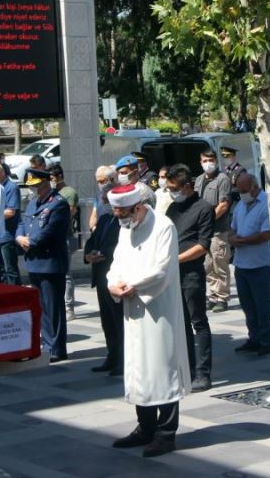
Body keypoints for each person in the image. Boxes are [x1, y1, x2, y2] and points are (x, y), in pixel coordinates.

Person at [106, 184, 192, 458]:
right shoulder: (126, 226)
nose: (121, 219)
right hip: (132, 306)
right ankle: (145, 427)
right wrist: (113, 284)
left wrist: (131, 285)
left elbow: (161, 269)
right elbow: (117, 261)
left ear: (138, 206)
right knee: (138, 368)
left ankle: (166, 434)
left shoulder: (163, 226)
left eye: (124, 212)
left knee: (161, 367)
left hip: (158, 308)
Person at [165, 164, 215, 392]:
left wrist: (176, 259)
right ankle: (187, 368)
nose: (171, 192)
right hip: (172, 273)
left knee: (198, 322)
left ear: (187, 186)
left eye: (174, 187)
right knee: (180, 323)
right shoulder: (172, 209)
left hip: (191, 273)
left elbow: (202, 245)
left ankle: (203, 373)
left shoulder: (203, 208)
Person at [16, 168, 71, 362]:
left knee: (53, 307)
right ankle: (47, 345)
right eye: (32, 187)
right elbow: (23, 223)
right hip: (34, 262)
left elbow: (50, 230)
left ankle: (56, 348)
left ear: (47, 184)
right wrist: (19, 237)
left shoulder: (58, 204)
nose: (34, 190)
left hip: (50, 263)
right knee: (42, 307)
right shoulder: (33, 203)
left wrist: (30, 242)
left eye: (37, 186)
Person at [230, 173, 270, 355]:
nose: (241, 194)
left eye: (244, 190)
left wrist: (245, 240)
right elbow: (232, 228)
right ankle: (254, 338)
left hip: (260, 264)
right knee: (248, 306)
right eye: (239, 190)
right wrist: (232, 238)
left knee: (262, 306)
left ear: (254, 187)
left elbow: (266, 234)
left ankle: (267, 341)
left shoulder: (266, 203)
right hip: (241, 264)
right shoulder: (241, 204)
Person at [84, 192, 123, 376]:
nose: (105, 203)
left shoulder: (124, 222)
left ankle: (123, 359)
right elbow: (92, 241)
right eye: (104, 200)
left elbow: (121, 246)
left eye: (108, 200)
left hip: (115, 276)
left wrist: (104, 254)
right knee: (107, 320)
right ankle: (112, 355)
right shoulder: (105, 219)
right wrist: (88, 254)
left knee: (119, 320)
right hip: (100, 276)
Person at [195, 149, 232, 312]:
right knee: (207, 264)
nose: (208, 163)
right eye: (205, 160)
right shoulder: (199, 179)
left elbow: (223, 205)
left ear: (216, 161)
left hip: (218, 229)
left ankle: (222, 297)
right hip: (203, 231)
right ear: (200, 162)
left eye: (211, 160)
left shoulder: (222, 179)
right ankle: (213, 295)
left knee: (220, 263)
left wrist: (207, 221)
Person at [50, 164, 80, 321]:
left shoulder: (69, 193)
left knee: (66, 273)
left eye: (52, 178)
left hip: (66, 237)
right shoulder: (51, 193)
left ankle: (69, 308)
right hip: (53, 238)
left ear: (60, 176)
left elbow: (68, 214)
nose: (51, 181)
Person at [89, 165, 115, 231]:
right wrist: (93, 228)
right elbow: (94, 215)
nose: (100, 185)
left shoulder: (118, 194)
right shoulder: (99, 195)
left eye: (102, 181)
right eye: (98, 182)